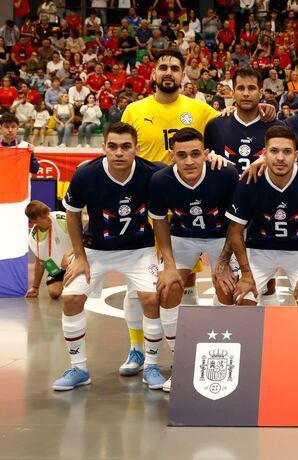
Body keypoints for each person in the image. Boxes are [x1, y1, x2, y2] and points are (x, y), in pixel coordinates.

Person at [119, 49, 233, 376]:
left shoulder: (201, 110)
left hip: (187, 207)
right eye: (163, 67)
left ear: (184, 74)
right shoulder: (134, 110)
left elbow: (234, 124)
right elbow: (123, 151)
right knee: (140, 282)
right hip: (146, 205)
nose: (168, 72)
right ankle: (137, 349)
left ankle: (188, 343)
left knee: (186, 279)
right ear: (153, 73)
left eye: (174, 68)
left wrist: (266, 111)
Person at [54, 123, 165, 391]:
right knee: (71, 298)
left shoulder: (154, 174)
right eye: (112, 147)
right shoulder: (85, 174)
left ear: (136, 149)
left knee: (150, 298)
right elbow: (71, 213)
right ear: (103, 147)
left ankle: (150, 364)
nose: (119, 153)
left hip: (139, 249)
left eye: (126, 147)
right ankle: (78, 368)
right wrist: (79, 256)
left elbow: (187, 172)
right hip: (96, 250)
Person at [148, 128, 239, 392]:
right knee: (168, 287)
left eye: (196, 154)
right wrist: (169, 265)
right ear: (171, 156)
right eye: (182, 155)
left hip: (222, 237)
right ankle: (182, 361)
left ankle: (223, 350)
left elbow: (237, 221)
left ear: (206, 154)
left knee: (227, 287)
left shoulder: (226, 174)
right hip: (183, 235)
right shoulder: (160, 179)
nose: (189, 161)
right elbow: (160, 220)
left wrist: (222, 262)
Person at [217, 124, 298, 307]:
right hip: (260, 249)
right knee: (242, 299)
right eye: (274, 151)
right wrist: (246, 274)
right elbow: (235, 231)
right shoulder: (250, 180)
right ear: (264, 153)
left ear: (296, 155)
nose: (280, 158)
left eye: (287, 152)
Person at [205, 68, 283, 174]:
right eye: (241, 88)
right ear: (233, 93)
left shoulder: (278, 129)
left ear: (260, 93)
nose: (246, 93)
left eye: (251, 88)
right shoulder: (215, 126)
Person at [25, 201, 72, 300]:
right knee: (54, 293)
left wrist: (68, 254)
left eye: (48, 214)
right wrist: (35, 287)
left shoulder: (62, 219)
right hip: (56, 266)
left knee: (74, 293)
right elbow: (40, 261)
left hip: (74, 261)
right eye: (44, 217)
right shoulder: (34, 238)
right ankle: (67, 281)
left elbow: (81, 241)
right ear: (34, 221)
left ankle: (74, 281)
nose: (49, 218)